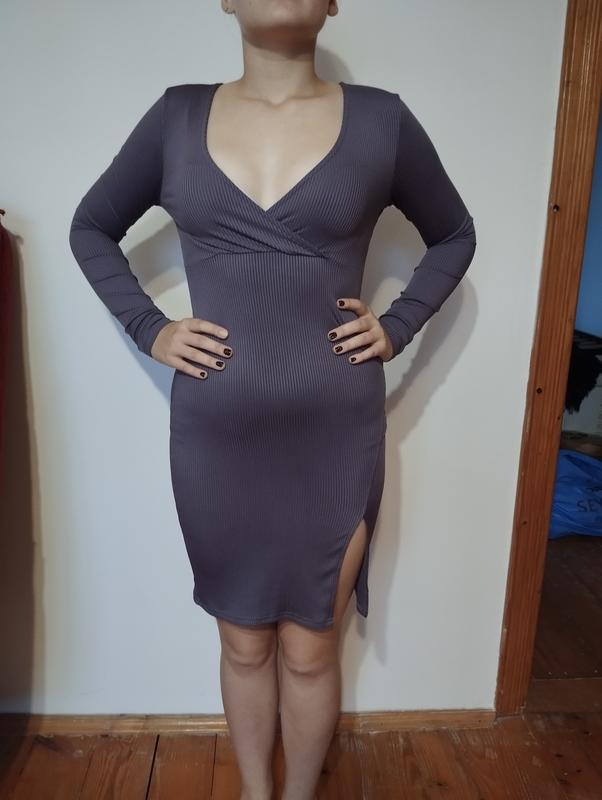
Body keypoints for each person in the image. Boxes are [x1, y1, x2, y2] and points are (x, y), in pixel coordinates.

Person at [69, 2, 477, 798]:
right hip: (217, 437)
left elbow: (455, 232)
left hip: (334, 431)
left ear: (333, 3)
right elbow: (92, 226)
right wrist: (151, 327)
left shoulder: (382, 122)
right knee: (243, 643)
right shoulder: (176, 118)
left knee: (312, 647)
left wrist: (398, 324)